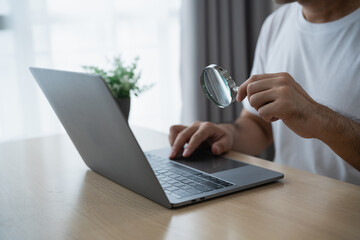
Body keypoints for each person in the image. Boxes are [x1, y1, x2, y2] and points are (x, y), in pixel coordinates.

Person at [169, 0, 360, 185]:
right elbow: (260, 125)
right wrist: (227, 135)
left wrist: (320, 119)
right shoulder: (276, 23)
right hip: (288, 201)